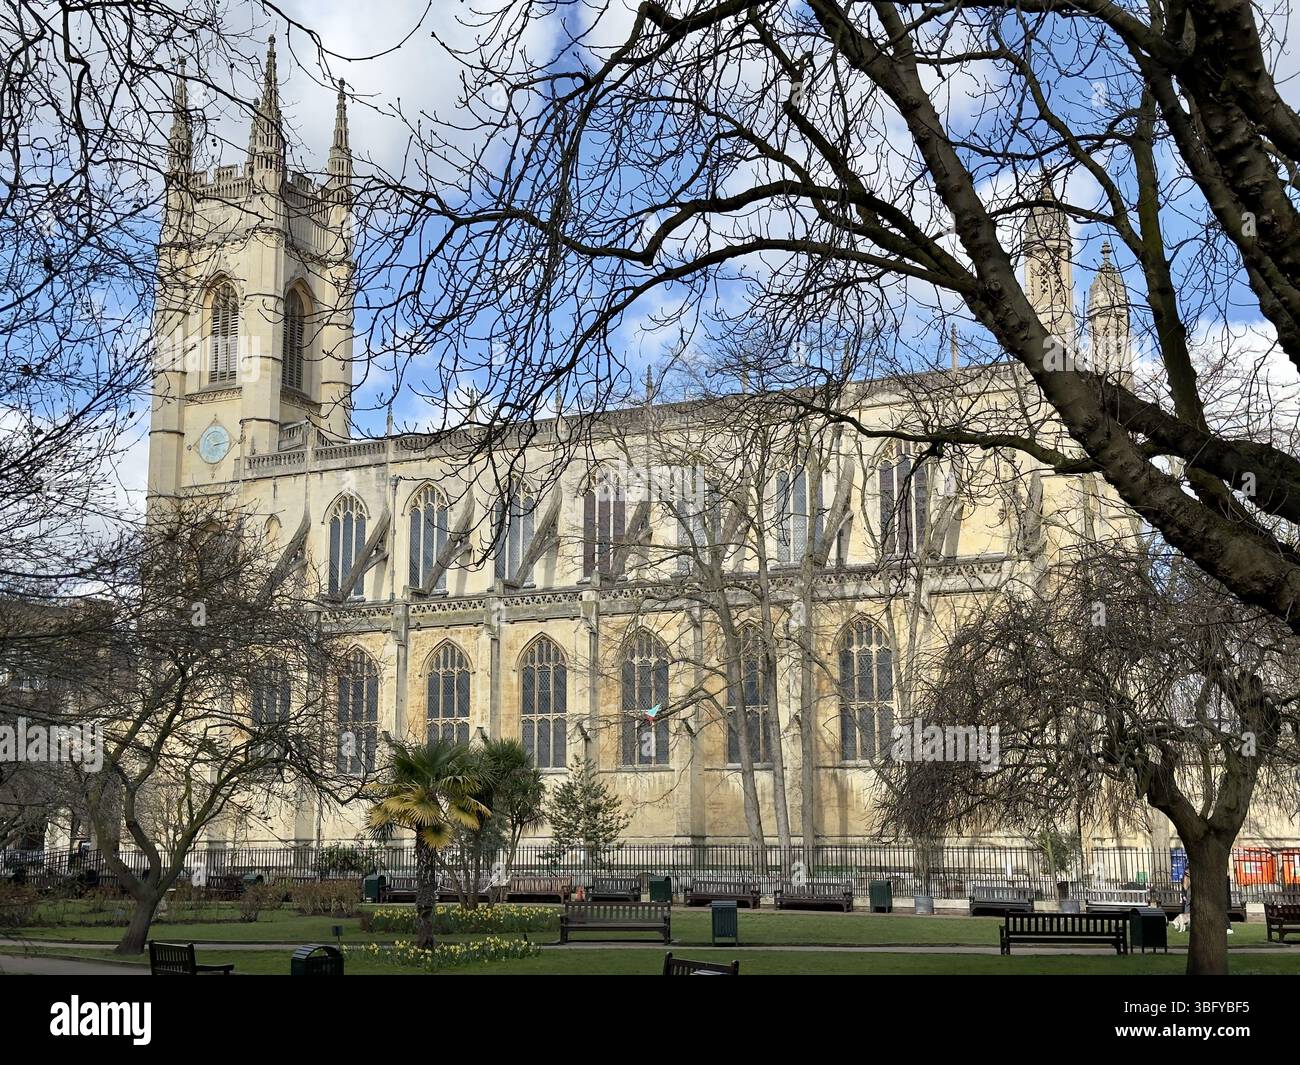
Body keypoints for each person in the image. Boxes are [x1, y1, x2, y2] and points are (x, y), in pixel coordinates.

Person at [1181, 867, 1233, 934]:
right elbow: (1185, 889)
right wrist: (1184, 896)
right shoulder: (1187, 881)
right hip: (1192, 898)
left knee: (1220, 912)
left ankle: (1227, 927)